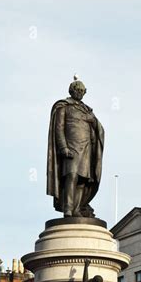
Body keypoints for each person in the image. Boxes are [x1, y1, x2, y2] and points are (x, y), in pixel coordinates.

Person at [47, 78, 104, 218]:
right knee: (71, 176)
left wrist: (94, 121)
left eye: (82, 91)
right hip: (71, 147)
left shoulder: (87, 110)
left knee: (82, 180)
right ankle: (68, 208)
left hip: (86, 148)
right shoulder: (64, 107)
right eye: (77, 90)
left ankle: (77, 209)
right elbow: (58, 128)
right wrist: (63, 147)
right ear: (71, 91)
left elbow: (99, 129)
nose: (79, 93)